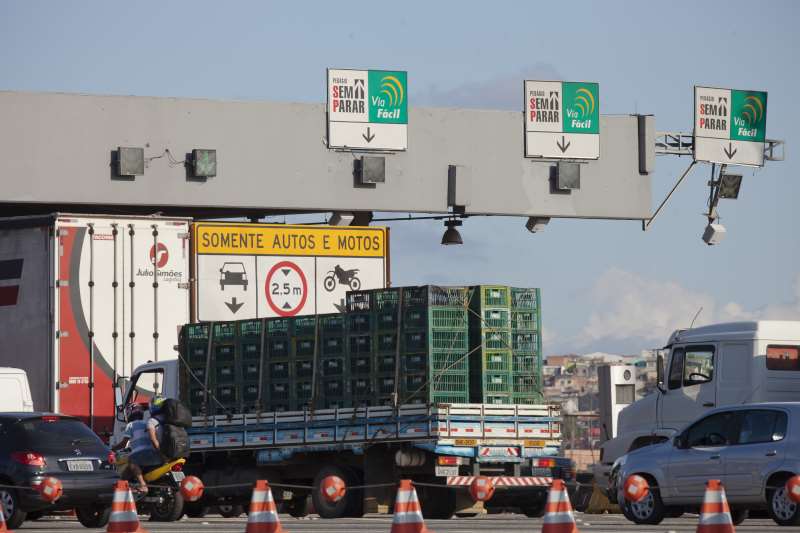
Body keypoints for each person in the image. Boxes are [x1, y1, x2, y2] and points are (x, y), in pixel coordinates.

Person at [112, 401, 164, 493]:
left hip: (142, 455)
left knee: (132, 462)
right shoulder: (147, 422)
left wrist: (112, 448)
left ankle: (143, 485)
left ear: (130, 413)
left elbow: (123, 444)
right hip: (154, 454)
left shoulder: (130, 425)